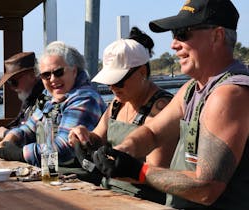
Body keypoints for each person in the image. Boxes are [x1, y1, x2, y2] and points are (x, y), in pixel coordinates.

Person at [91, 0, 249, 209]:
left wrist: (138, 172)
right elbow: (152, 132)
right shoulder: (192, 88)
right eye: (173, 35)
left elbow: (207, 188)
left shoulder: (229, 94)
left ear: (217, 36)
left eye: (183, 34)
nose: (173, 44)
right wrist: (122, 151)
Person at [68, 27, 173, 202]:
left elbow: (155, 172)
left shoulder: (162, 108)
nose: (112, 88)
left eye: (118, 81)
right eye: (109, 82)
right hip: (109, 190)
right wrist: (84, 137)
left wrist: (107, 167)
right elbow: (98, 138)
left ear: (142, 72)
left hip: (144, 198)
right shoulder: (117, 104)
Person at [0, 41, 107, 167]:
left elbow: (63, 150)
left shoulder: (85, 99)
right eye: (46, 75)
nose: (52, 79)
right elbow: (30, 127)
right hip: (52, 171)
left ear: (74, 71)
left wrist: (19, 153)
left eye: (59, 72)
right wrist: (10, 138)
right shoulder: (47, 96)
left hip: (77, 175)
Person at [0, 52, 44, 143]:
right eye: (9, 83)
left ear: (32, 74)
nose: (12, 87)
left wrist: (7, 133)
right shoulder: (30, 99)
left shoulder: (44, 99)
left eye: (14, 82)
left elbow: (40, 137)